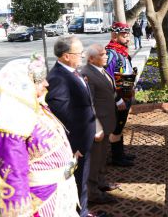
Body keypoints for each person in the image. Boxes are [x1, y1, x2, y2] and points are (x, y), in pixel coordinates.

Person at [0, 54, 79, 216]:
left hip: (62, 191)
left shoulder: (36, 108)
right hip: (42, 200)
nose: (46, 84)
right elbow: (13, 173)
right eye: (40, 81)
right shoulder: (10, 124)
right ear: (22, 86)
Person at [45, 36, 101, 217]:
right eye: (79, 53)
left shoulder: (72, 72)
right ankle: (80, 213)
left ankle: (83, 211)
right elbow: (62, 115)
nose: (83, 55)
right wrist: (73, 146)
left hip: (84, 137)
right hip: (75, 144)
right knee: (77, 181)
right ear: (66, 56)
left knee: (82, 179)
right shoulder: (58, 78)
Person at [81, 44, 122, 204]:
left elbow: (109, 90)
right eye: (102, 54)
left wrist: (118, 100)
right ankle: (93, 194)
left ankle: (101, 183)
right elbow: (89, 104)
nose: (106, 56)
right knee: (95, 160)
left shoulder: (100, 70)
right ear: (91, 58)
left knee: (102, 157)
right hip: (98, 126)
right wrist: (96, 127)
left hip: (107, 123)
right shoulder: (87, 74)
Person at [105, 22, 137, 167]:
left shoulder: (121, 52)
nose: (128, 38)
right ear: (114, 35)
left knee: (121, 125)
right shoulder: (111, 53)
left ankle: (121, 154)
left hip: (126, 94)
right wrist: (117, 99)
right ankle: (117, 158)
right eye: (124, 35)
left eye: (128, 34)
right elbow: (107, 79)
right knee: (117, 128)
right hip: (118, 98)